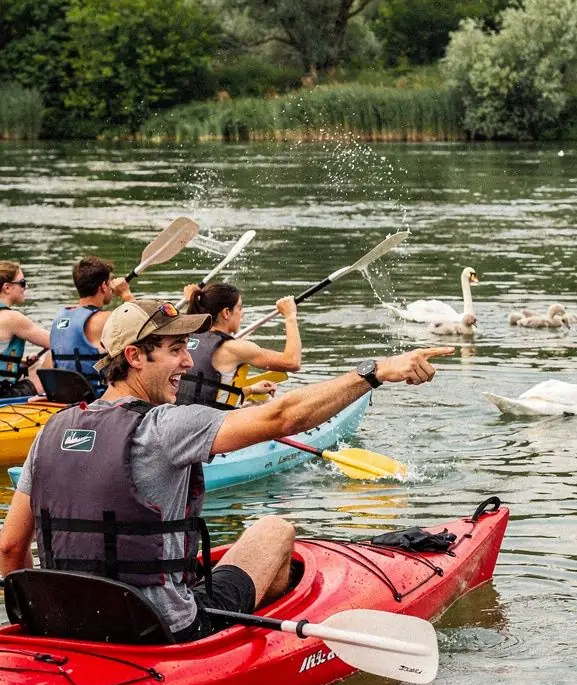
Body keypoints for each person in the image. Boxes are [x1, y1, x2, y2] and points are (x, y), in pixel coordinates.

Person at [0, 296, 452, 643]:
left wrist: (42, 620)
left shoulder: (52, 429)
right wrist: (374, 372)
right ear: (135, 356)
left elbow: (10, 547)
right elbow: (283, 417)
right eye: (175, 349)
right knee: (274, 532)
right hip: (158, 630)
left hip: (61, 627)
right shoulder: (164, 426)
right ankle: (253, 642)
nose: (187, 361)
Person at [178, 281, 301, 408]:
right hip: (211, 420)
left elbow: (202, 392)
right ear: (226, 313)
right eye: (239, 308)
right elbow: (292, 362)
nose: (242, 313)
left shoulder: (185, 337)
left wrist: (250, 389)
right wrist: (290, 316)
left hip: (178, 416)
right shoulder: (233, 348)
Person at [49, 256, 134, 396]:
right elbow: (144, 324)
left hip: (63, 395)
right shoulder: (103, 319)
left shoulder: (59, 317)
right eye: (109, 282)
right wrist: (126, 293)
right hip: (94, 398)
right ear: (103, 286)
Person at [0, 260, 50, 397]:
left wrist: (21, 362)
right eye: (22, 283)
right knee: (54, 356)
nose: (25, 287)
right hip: (4, 394)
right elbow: (57, 342)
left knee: (34, 365)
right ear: (7, 287)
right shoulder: (12, 318)